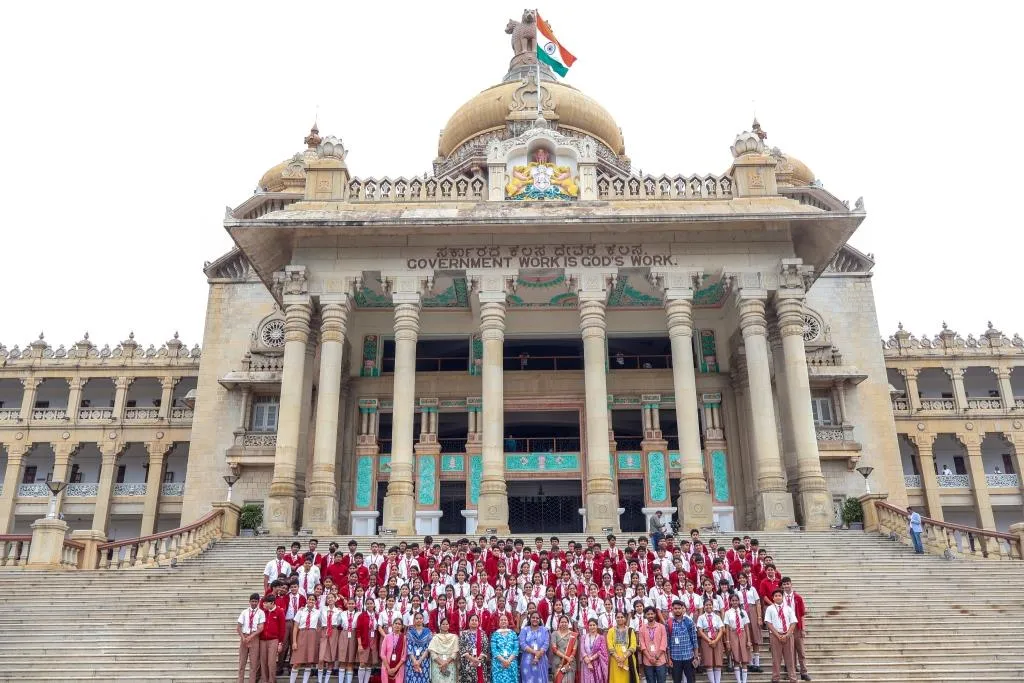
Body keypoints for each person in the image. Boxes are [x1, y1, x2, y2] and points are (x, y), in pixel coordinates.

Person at [762, 590, 797, 683]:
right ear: (773, 598)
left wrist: (787, 634)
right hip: (775, 635)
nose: (778, 597)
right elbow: (768, 623)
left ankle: (793, 678)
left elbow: (793, 622)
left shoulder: (788, 608)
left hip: (788, 635)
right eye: (776, 596)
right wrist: (777, 635)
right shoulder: (770, 608)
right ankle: (775, 678)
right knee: (776, 659)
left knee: (790, 658)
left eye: (779, 595)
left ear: (783, 597)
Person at [779, 579, 809, 682]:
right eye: (784, 584)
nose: (786, 586)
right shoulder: (780, 597)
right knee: (789, 651)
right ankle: (791, 672)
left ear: (791, 585)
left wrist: (803, 629)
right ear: (782, 586)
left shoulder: (798, 598)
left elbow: (801, 615)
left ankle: (804, 672)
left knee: (800, 651)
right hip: (785, 627)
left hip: (796, 626)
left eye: (788, 584)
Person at [667, 600, 698, 683]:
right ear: (672, 610)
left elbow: (694, 641)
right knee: (676, 680)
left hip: (688, 657)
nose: (677, 610)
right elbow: (668, 643)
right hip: (675, 658)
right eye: (675, 608)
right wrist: (669, 658)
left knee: (691, 680)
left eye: (679, 608)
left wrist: (696, 657)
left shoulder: (689, 622)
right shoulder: (669, 623)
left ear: (682, 609)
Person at [292, 595, 321, 683]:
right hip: (302, 635)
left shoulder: (318, 612)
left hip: (312, 636)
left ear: (315, 602)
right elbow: (295, 627)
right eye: (309, 599)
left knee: (309, 662)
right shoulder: (300, 611)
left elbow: (321, 624)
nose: (311, 601)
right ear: (307, 600)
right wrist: (294, 642)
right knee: (296, 662)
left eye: (313, 599)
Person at [237, 592, 265, 683]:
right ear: (249, 601)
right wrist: (243, 638)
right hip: (244, 637)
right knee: (242, 663)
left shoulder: (261, 613)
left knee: (253, 664)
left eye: (255, 601)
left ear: (258, 602)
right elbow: (238, 627)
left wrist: (251, 637)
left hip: (254, 638)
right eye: (252, 601)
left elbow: (261, 628)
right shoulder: (244, 612)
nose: (254, 603)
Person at [723, 594, 751, 683]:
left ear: (739, 601)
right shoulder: (727, 613)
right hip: (733, 633)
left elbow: (746, 626)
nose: (735, 602)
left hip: (742, 633)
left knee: (744, 658)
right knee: (736, 658)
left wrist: (749, 640)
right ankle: (739, 681)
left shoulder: (743, 612)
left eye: (736, 600)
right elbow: (727, 627)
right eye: (733, 600)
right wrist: (727, 641)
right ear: (730, 602)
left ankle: (744, 681)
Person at [696, 601, 725, 683]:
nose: (708, 606)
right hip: (706, 639)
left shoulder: (717, 617)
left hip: (717, 638)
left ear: (713, 606)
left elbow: (721, 630)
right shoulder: (701, 617)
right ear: (704, 606)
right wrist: (709, 641)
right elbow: (700, 631)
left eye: (710, 605)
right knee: (709, 662)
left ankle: (717, 681)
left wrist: (715, 640)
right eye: (706, 605)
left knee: (717, 661)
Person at [607, 611, 640, 683]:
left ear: (625, 618)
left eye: (622, 617)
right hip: (615, 660)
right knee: (616, 679)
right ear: (615, 619)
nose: (620, 619)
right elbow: (610, 646)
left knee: (628, 679)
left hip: (628, 659)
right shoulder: (611, 631)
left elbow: (633, 646)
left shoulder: (630, 630)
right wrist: (617, 658)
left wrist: (624, 657)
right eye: (618, 617)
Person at [261, 594, 287, 682]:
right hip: (263, 640)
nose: (264, 604)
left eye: (266, 603)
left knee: (271, 662)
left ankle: (271, 680)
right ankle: (265, 680)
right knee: (263, 662)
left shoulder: (279, 612)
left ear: (272, 603)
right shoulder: (264, 611)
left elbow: (282, 629)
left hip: (274, 640)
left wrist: (280, 643)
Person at [638, 607, 668, 683]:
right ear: (645, 615)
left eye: (652, 614)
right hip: (648, 661)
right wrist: (650, 658)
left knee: (661, 681)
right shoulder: (642, 628)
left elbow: (663, 644)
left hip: (660, 660)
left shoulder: (661, 627)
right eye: (648, 614)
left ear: (655, 614)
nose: (650, 615)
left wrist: (656, 657)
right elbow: (642, 645)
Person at [518, 612, 550, 683]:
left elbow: (546, 644)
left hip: (541, 660)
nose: (535, 619)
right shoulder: (524, 630)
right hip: (527, 661)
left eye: (537, 618)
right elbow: (522, 644)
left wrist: (538, 656)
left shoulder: (545, 630)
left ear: (540, 620)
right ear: (530, 619)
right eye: (533, 617)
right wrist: (535, 652)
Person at [459, 614, 490, 683]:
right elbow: (462, 647)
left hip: (480, 662)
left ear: (478, 622)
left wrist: (478, 660)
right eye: (472, 620)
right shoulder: (464, 634)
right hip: (467, 663)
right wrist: (472, 659)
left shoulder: (483, 634)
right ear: (469, 622)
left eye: (476, 620)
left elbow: (485, 648)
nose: (474, 622)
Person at [429, 617, 460, 683]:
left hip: (450, 664)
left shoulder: (454, 637)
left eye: (447, 624)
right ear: (439, 626)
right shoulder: (435, 637)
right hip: (437, 665)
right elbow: (432, 653)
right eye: (443, 624)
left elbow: (455, 653)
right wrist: (441, 663)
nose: (445, 626)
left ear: (449, 625)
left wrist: (446, 663)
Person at [319, 594, 342, 683]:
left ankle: (326, 680)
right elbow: (319, 619)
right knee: (321, 658)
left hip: (334, 631)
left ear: (335, 599)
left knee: (331, 658)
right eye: (328, 598)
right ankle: (320, 680)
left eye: (332, 597)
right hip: (324, 631)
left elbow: (340, 622)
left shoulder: (339, 611)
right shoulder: (322, 610)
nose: (330, 599)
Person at [491, 614, 520, 683]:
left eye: (505, 620)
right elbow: (494, 650)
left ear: (508, 622)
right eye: (501, 620)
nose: (503, 621)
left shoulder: (513, 633)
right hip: (498, 664)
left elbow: (516, 649)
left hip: (511, 663)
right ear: (499, 622)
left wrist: (508, 661)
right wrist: (503, 661)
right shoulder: (495, 634)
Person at [406, 611, 434, 683]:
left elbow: (429, 647)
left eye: (420, 618)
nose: (419, 620)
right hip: (412, 660)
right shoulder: (410, 632)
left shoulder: (428, 632)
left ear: (423, 620)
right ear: (414, 620)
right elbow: (409, 647)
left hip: (424, 660)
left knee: (423, 679)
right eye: (417, 618)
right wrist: (415, 661)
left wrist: (420, 660)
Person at [549, 615, 578, 683]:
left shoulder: (573, 635)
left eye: (565, 622)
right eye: (562, 622)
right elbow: (554, 649)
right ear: (559, 623)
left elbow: (574, 650)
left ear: (568, 623)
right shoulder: (554, 634)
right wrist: (566, 657)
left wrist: (568, 660)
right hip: (558, 663)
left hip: (570, 663)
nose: (564, 624)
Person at [580, 618, 609, 683]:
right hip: (586, 663)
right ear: (588, 626)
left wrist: (591, 659)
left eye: (594, 625)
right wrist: (587, 661)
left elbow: (601, 651)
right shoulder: (583, 637)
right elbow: (582, 649)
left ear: (597, 626)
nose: (592, 627)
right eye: (590, 625)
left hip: (597, 663)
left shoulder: (601, 638)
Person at [382, 618, 407, 683]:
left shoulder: (404, 638)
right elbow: (382, 654)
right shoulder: (387, 637)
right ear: (392, 625)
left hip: (399, 668)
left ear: (402, 626)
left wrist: (395, 669)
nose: (397, 625)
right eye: (396, 623)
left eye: (399, 624)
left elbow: (404, 656)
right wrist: (388, 668)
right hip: (386, 667)